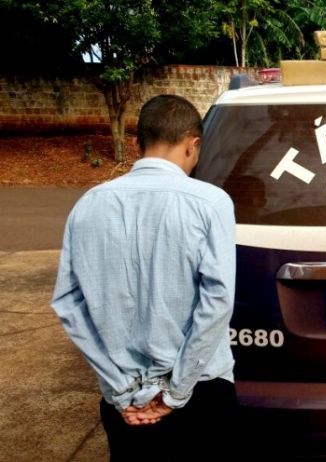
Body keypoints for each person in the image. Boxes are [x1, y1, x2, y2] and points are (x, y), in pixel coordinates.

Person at [51, 95, 237, 461]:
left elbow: (68, 304)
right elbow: (217, 301)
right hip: (201, 391)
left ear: (138, 143)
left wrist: (120, 390)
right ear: (193, 144)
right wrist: (175, 393)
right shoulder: (210, 202)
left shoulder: (89, 204)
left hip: (126, 399)